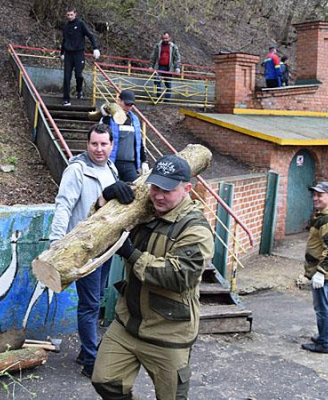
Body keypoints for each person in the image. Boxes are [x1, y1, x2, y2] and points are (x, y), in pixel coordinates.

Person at [91, 155, 215, 399]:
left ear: (187, 189)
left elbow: (177, 276)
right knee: (105, 381)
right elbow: (95, 236)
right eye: (155, 187)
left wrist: (131, 254)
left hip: (168, 333)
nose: (158, 195)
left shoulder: (195, 229)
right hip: (128, 323)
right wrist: (103, 200)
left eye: (167, 190)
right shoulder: (144, 209)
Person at [49, 123, 135, 377]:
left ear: (111, 146)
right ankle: (90, 360)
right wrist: (57, 243)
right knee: (89, 304)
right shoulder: (77, 170)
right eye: (94, 144)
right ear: (87, 145)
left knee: (96, 299)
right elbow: (63, 205)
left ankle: (84, 351)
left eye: (104, 144)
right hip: (84, 248)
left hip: (105, 247)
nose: (99, 149)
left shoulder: (110, 168)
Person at [301, 182, 328, 354]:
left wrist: (320, 272)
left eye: (320, 195)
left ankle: (324, 343)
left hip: (324, 271)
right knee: (327, 306)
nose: (315, 198)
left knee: (322, 308)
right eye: (314, 195)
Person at [99, 90, 148, 182]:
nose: (129, 107)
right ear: (119, 100)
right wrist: (105, 116)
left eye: (131, 105)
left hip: (131, 165)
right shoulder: (108, 119)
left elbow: (138, 142)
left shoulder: (134, 120)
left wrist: (144, 161)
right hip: (112, 163)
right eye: (127, 104)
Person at [60, 8, 100, 106]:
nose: (69, 17)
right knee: (66, 77)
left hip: (78, 54)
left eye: (71, 15)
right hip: (68, 54)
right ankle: (66, 99)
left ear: (75, 14)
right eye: (68, 15)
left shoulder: (80, 24)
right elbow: (64, 40)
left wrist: (95, 48)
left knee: (78, 75)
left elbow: (90, 35)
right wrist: (62, 53)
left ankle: (79, 90)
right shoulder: (66, 27)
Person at [149, 32, 181, 101]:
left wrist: (177, 67)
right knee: (157, 81)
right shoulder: (158, 46)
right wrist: (151, 66)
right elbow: (153, 56)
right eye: (163, 38)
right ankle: (158, 97)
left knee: (168, 83)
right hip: (159, 67)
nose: (165, 40)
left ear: (169, 38)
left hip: (168, 68)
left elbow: (177, 58)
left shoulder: (173, 47)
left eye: (166, 38)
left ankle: (167, 99)